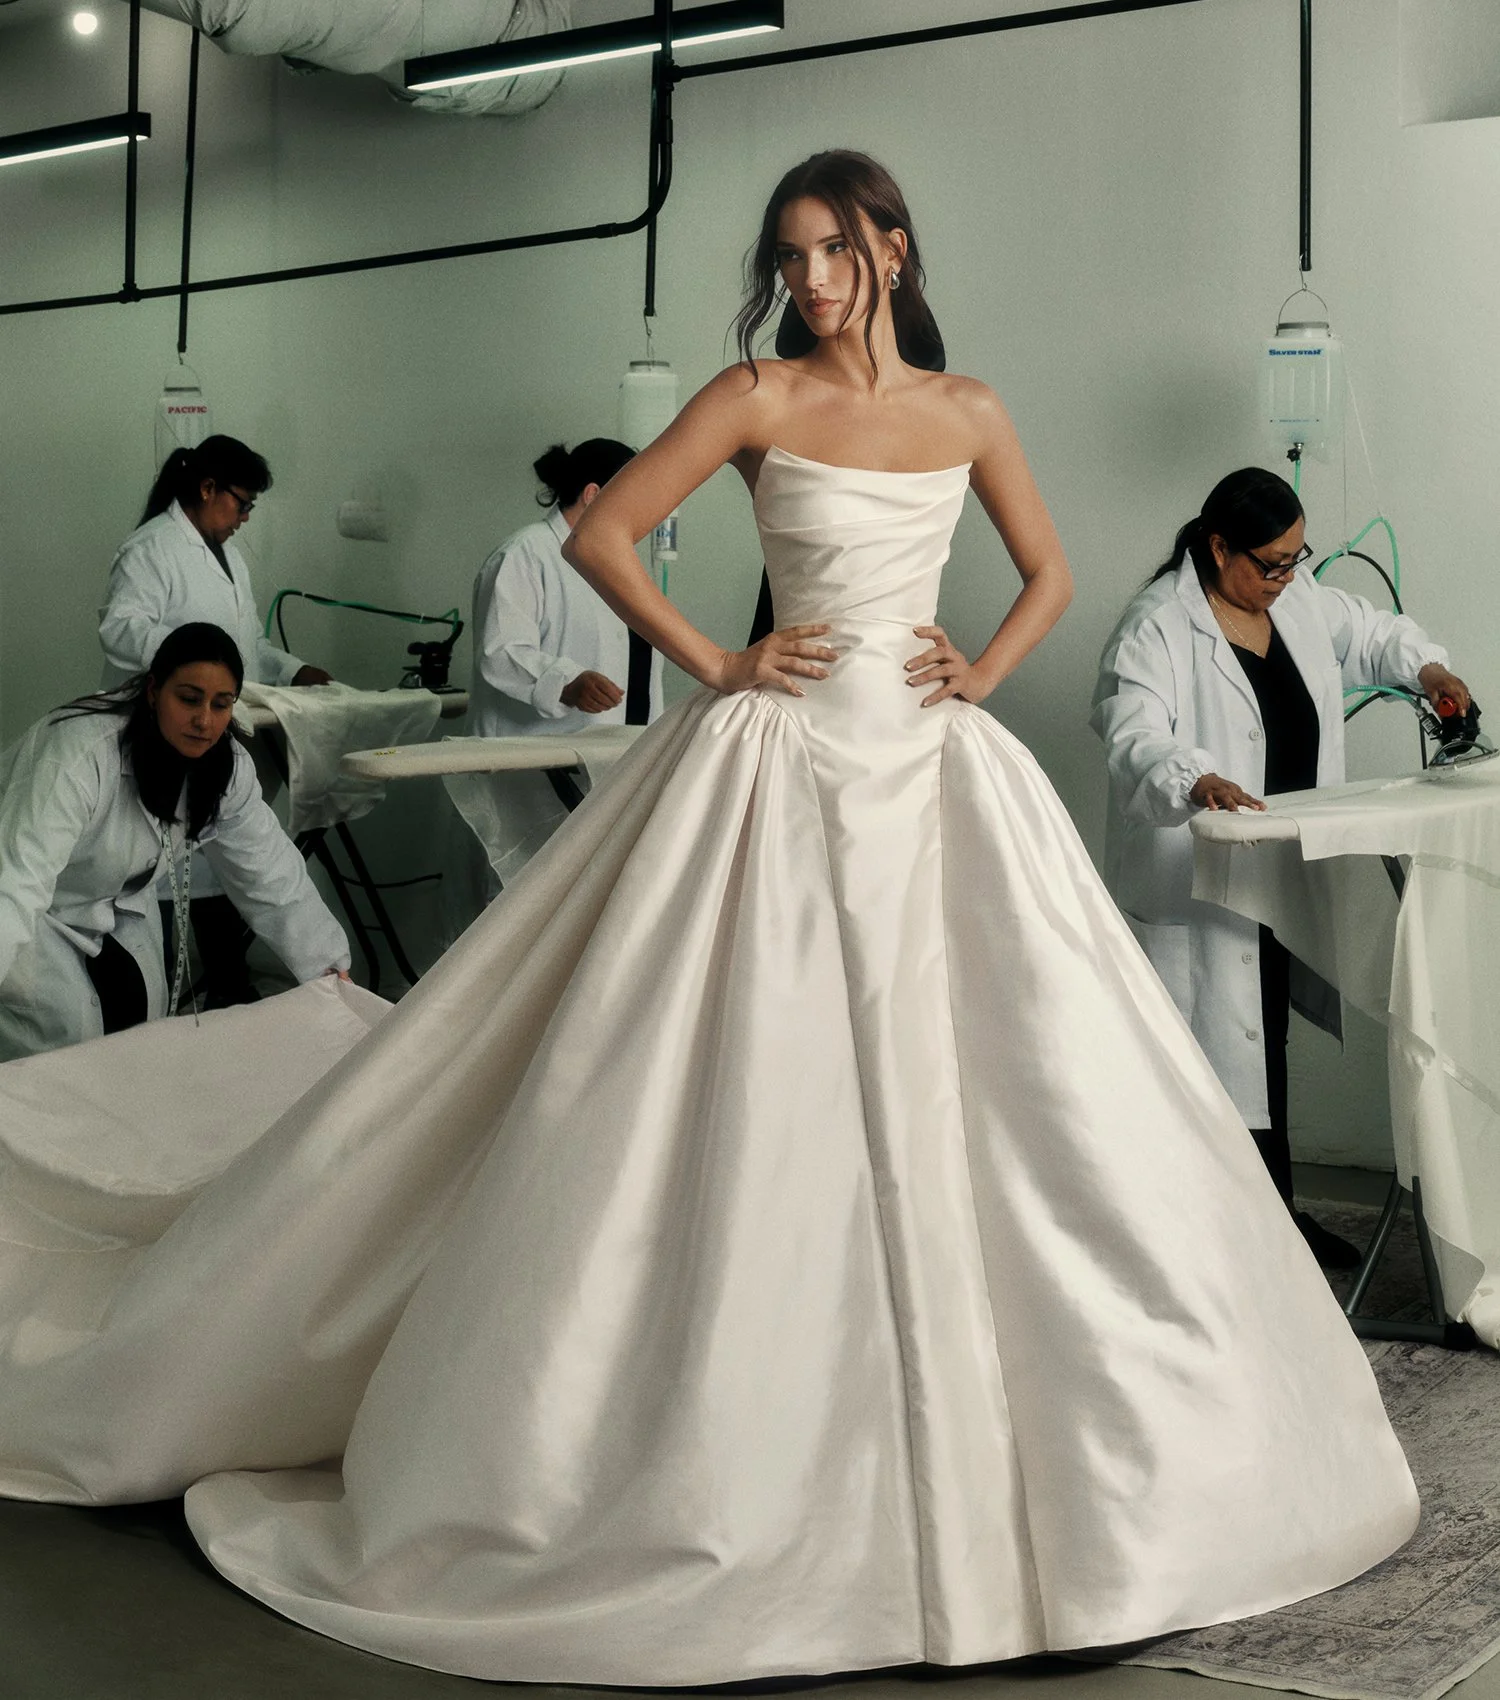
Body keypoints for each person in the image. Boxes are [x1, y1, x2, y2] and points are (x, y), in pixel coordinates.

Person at [0, 155, 1416, 1684]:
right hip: (787, 764)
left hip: (930, 772)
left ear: (893, 245)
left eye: (830, 250)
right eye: (787, 255)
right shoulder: (755, 395)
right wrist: (721, 662)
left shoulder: (970, 410)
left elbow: (1054, 569)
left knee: (1032, 1091)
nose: (807, 278)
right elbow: (605, 536)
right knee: (739, 1086)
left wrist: (984, 674)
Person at [1092, 467, 1470, 1266]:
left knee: (1266, 1049)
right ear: (1218, 546)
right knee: (1210, 1059)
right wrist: (1191, 776)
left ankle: (1275, 1222)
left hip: (1284, 868)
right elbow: (1131, 729)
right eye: (1269, 563)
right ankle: (1216, 1243)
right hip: (1201, 881)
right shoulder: (1158, 626)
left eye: (1296, 559)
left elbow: (1370, 633)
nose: (1285, 577)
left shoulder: (1293, 601)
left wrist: (1428, 670)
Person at [0, 622, 350, 1061]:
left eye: (222, 705)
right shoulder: (78, 753)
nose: (205, 720)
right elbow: (14, 885)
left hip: (115, 902)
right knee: (62, 1040)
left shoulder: (225, 767)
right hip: (33, 909)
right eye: (189, 699)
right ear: (153, 691)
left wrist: (331, 973)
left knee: (141, 1032)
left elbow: (272, 875)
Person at [98, 436, 333, 1007]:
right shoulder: (151, 548)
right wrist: (193, 661)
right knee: (168, 866)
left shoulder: (229, 560)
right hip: (161, 735)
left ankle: (230, 987)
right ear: (207, 489)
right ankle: (182, 992)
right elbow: (120, 628)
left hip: (216, 738)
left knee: (229, 855)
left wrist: (294, 668)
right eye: (242, 503)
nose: (245, 518)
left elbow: (247, 646)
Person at [463, 438, 663, 883]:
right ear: (594, 496)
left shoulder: (620, 563)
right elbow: (503, 651)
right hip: (531, 770)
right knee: (517, 903)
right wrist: (567, 683)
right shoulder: (525, 554)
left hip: (609, 761)